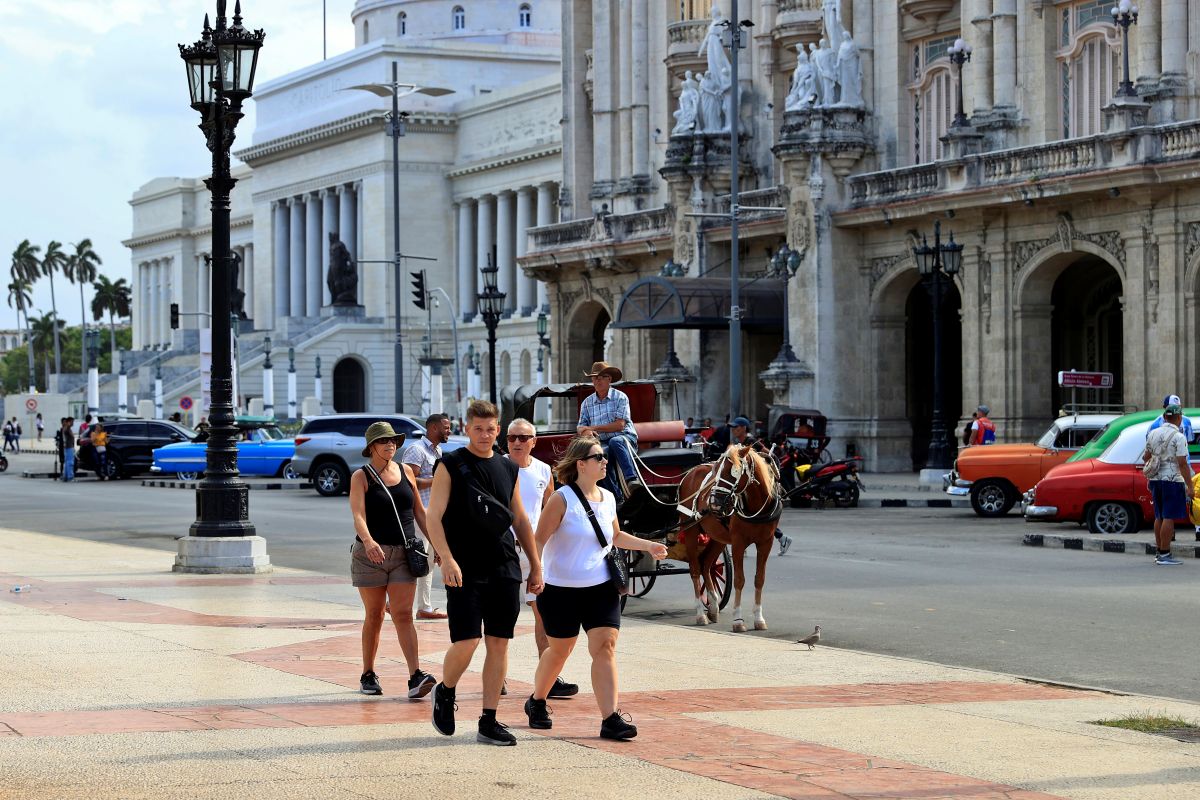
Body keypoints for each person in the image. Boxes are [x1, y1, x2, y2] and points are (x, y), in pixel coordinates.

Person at [524, 436, 668, 739]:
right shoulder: (561, 499)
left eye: (604, 456)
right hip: (560, 589)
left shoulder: (608, 497)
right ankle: (537, 700)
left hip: (601, 588)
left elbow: (614, 536)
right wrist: (536, 572)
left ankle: (610, 718)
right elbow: (538, 540)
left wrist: (648, 546)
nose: (605, 461)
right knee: (559, 651)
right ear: (581, 464)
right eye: (598, 457)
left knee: (605, 647)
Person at [425, 400, 541, 746]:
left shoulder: (508, 467)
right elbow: (433, 516)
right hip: (464, 567)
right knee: (467, 641)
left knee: (499, 643)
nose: (485, 435)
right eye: (478, 429)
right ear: (467, 428)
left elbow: (520, 520)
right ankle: (446, 691)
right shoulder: (450, 464)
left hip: (504, 565)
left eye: (491, 429)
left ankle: (488, 720)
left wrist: (535, 564)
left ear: (498, 429)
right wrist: (447, 558)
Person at [348, 421, 438, 698]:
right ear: (371, 446)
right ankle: (368, 673)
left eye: (393, 441)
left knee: (403, 614)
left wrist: (437, 543)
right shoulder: (361, 477)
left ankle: (415, 676)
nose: (390, 445)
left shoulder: (406, 472)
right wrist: (369, 541)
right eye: (384, 441)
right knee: (375, 615)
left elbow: (419, 512)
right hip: (370, 555)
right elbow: (358, 515)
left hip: (403, 554)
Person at [505, 418, 578, 699]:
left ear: (534, 442)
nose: (517, 442)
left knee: (543, 614)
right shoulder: (497, 467)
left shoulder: (544, 470)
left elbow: (551, 508)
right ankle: (497, 674)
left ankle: (548, 678)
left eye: (523, 438)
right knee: (502, 615)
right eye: (512, 437)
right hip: (504, 550)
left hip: (535, 551)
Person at [710, 416, 794, 556]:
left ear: (744, 428)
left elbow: (771, 457)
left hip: (755, 484)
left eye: (736, 427)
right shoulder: (737, 444)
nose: (734, 430)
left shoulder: (751, 442)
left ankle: (779, 537)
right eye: (732, 427)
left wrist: (770, 476)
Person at [401, 412, 450, 621]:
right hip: (418, 514)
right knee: (417, 559)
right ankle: (397, 603)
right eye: (446, 427)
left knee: (428, 561)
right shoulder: (417, 450)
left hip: (434, 514)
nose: (449, 431)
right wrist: (438, 480)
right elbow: (409, 482)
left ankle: (423, 607)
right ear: (433, 428)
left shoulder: (437, 451)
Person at [577, 361, 640, 504]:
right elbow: (580, 428)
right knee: (600, 455)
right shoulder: (587, 403)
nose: (597, 381)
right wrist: (586, 432)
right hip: (602, 442)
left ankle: (632, 479)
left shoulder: (620, 397)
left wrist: (592, 428)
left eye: (601, 377)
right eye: (595, 378)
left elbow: (620, 425)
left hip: (624, 438)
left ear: (609, 379)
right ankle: (617, 498)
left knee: (615, 441)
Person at [1142, 404, 1194, 566]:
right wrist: (1190, 486)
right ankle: (1165, 554)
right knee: (1169, 517)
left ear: (1165, 417)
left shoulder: (1153, 433)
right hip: (1172, 480)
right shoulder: (1179, 437)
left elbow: (1145, 457)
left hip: (1155, 480)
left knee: (1159, 516)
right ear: (1179, 418)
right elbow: (1182, 463)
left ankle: (1159, 551)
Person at [60, 418, 76, 482]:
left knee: (67, 462)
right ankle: (70, 477)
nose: (73, 423)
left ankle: (66, 476)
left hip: (68, 447)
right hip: (69, 447)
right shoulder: (67, 428)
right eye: (72, 422)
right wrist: (68, 425)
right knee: (70, 462)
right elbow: (66, 431)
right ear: (68, 422)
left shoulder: (67, 428)